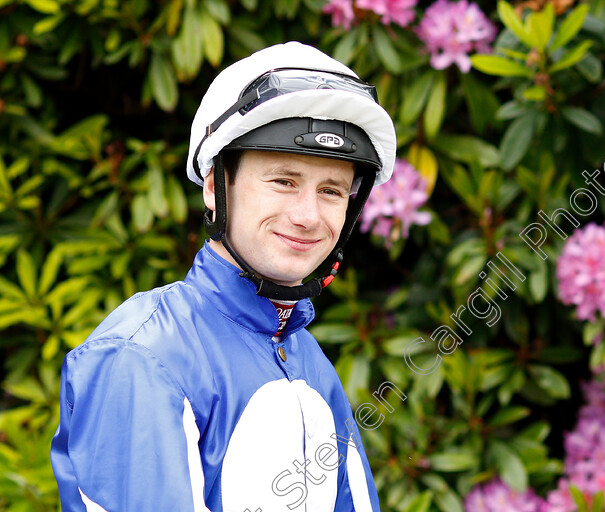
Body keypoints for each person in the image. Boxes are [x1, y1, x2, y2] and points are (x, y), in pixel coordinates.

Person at [50, 41, 396, 512]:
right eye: (284, 181)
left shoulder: (308, 358)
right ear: (215, 186)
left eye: (332, 190)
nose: (308, 215)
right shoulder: (143, 357)